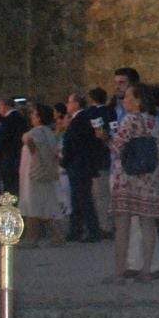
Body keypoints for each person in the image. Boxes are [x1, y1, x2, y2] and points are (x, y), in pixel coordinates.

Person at [108, 82, 159, 283]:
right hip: (150, 179)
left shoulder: (129, 121)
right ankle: (147, 270)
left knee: (123, 225)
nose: (124, 100)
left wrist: (106, 139)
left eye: (128, 97)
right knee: (148, 224)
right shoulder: (154, 122)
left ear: (138, 100)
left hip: (127, 178)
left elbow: (117, 147)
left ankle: (119, 271)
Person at [61, 88, 110, 243]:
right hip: (80, 163)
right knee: (77, 198)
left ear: (76, 104)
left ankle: (92, 230)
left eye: (69, 102)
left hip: (79, 163)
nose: (67, 105)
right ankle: (76, 229)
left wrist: (65, 159)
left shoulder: (81, 119)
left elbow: (74, 143)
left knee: (83, 198)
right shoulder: (83, 118)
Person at [17, 100, 62, 245]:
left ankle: (32, 238)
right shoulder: (49, 133)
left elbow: (28, 139)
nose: (32, 117)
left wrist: (34, 153)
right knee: (49, 206)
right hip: (45, 172)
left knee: (32, 205)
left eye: (34, 114)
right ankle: (58, 235)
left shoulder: (37, 132)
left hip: (33, 174)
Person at [0, 95, 28, 199]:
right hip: (19, 157)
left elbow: (2, 141)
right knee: (17, 186)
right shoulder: (21, 119)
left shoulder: (7, 121)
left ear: (5, 106)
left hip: (8, 158)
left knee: (9, 186)